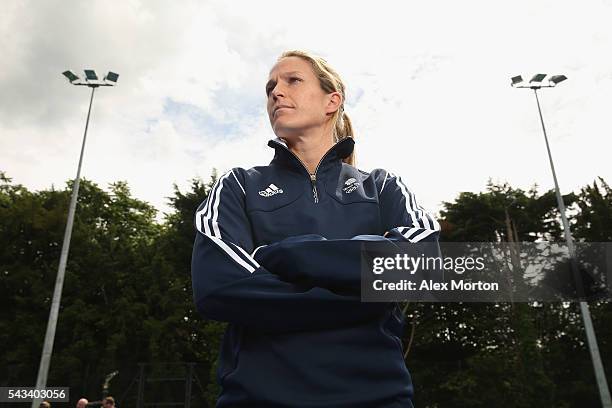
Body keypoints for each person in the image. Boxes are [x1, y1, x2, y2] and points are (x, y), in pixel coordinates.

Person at [191, 50, 441, 407]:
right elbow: (219, 286)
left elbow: (422, 266)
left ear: (332, 100)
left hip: (378, 398)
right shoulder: (238, 185)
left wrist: (287, 255)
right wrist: (366, 295)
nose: (276, 92)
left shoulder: (383, 187)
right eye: (270, 87)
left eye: (292, 80)